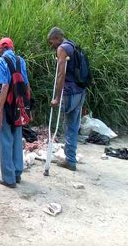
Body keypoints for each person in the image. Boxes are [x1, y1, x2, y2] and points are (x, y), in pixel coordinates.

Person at [47, 27, 86, 171]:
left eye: (51, 42)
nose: (51, 45)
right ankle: (70, 158)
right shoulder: (73, 45)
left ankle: (70, 160)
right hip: (80, 91)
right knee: (74, 126)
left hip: (69, 92)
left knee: (67, 125)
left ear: (57, 38)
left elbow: (61, 74)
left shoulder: (62, 49)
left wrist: (57, 98)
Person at [0, 37, 30, 188]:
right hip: (20, 105)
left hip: (7, 104)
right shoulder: (20, 61)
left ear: (2, 48)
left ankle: (8, 179)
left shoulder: (0, 61)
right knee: (17, 138)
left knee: (5, 140)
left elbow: (4, 86)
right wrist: (27, 109)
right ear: (12, 48)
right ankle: (17, 174)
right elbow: (27, 85)